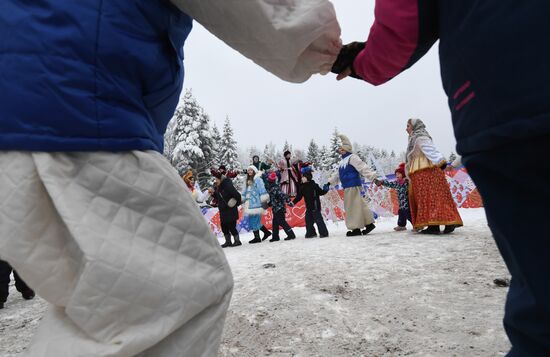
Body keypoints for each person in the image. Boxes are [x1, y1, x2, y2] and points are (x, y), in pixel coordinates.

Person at [0, 1, 341, 355]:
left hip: (41, 106)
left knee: (106, 303)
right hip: (77, 104)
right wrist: (324, 49)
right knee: (172, 293)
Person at [330, 2, 550, 354]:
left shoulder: (419, 139)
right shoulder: (405, 143)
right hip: (496, 121)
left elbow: (403, 24)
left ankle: (437, 224)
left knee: (540, 282)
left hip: (501, 113)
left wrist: (355, 61)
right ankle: (427, 224)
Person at [404, 119, 463, 234]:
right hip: (422, 172)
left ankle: (434, 225)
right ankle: (446, 223)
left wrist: (442, 162)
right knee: (434, 197)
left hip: (426, 171)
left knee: (430, 197)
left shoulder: (420, 137)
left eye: (408, 126)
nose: (406, 129)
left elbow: (431, 150)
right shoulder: (413, 139)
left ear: (415, 126)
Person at [328, 135, 378, 236]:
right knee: (359, 205)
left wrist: (372, 177)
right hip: (348, 186)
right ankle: (368, 224)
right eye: (340, 149)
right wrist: (329, 183)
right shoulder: (342, 161)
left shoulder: (352, 158)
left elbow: (362, 167)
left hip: (353, 185)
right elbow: (337, 175)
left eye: (342, 149)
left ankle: (356, 228)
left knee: (352, 207)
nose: (340, 150)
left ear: (346, 149)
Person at [209, 168, 242, 248]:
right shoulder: (219, 187)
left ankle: (237, 241)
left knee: (231, 226)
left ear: (220, 179)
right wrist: (213, 194)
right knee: (224, 226)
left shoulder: (227, 185)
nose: (215, 181)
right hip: (223, 210)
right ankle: (228, 241)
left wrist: (235, 203)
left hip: (230, 209)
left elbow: (237, 195)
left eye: (217, 179)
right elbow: (219, 197)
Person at [293, 166, 330, 238]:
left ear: (308, 177)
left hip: (315, 206)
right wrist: (293, 202)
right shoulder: (302, 187)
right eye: (302, 177)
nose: (302, 178)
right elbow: (299, 197)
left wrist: (325, 189)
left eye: (303, 177)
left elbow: (321, 192)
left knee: (319, 220)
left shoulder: (314, 185)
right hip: (309, 207)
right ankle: (311, 233)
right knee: (308, 221)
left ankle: (324, 233)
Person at [374, 163, 412, 231]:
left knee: (408, 214)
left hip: (407, 203)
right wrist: (382, 182)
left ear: (403, 174)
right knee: (401, 214)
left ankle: (415, 225)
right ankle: (401, 225)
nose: (397, 175)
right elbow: (390, 184)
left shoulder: (407, 182)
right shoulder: (397, 183)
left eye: (399, 173)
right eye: (396, 174)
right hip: (401, 203)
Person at [242, 166, 272, 243]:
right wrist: (243, 198)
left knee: (255, 220)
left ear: (254, 171)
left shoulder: (258, 179)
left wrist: (263, 199)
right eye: (248, 170)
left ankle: (257, 237)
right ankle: (266, 232)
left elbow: (262, 190)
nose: (249, 171)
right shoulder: (247, 180)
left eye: (251, 170)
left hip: (256, 203)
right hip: (249, 203)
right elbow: (245, 191)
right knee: (254, 221)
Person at [264, 172, 297, 241]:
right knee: (275, 223)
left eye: (268, 180)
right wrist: (269, 204)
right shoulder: (271, 188)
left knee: (282, 222)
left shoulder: (275, 188)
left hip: (279, 208)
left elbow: (283, 195)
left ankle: (291, 235)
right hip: (276, 208)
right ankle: (275, 237)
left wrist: (289, 201)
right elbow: (273, 198)